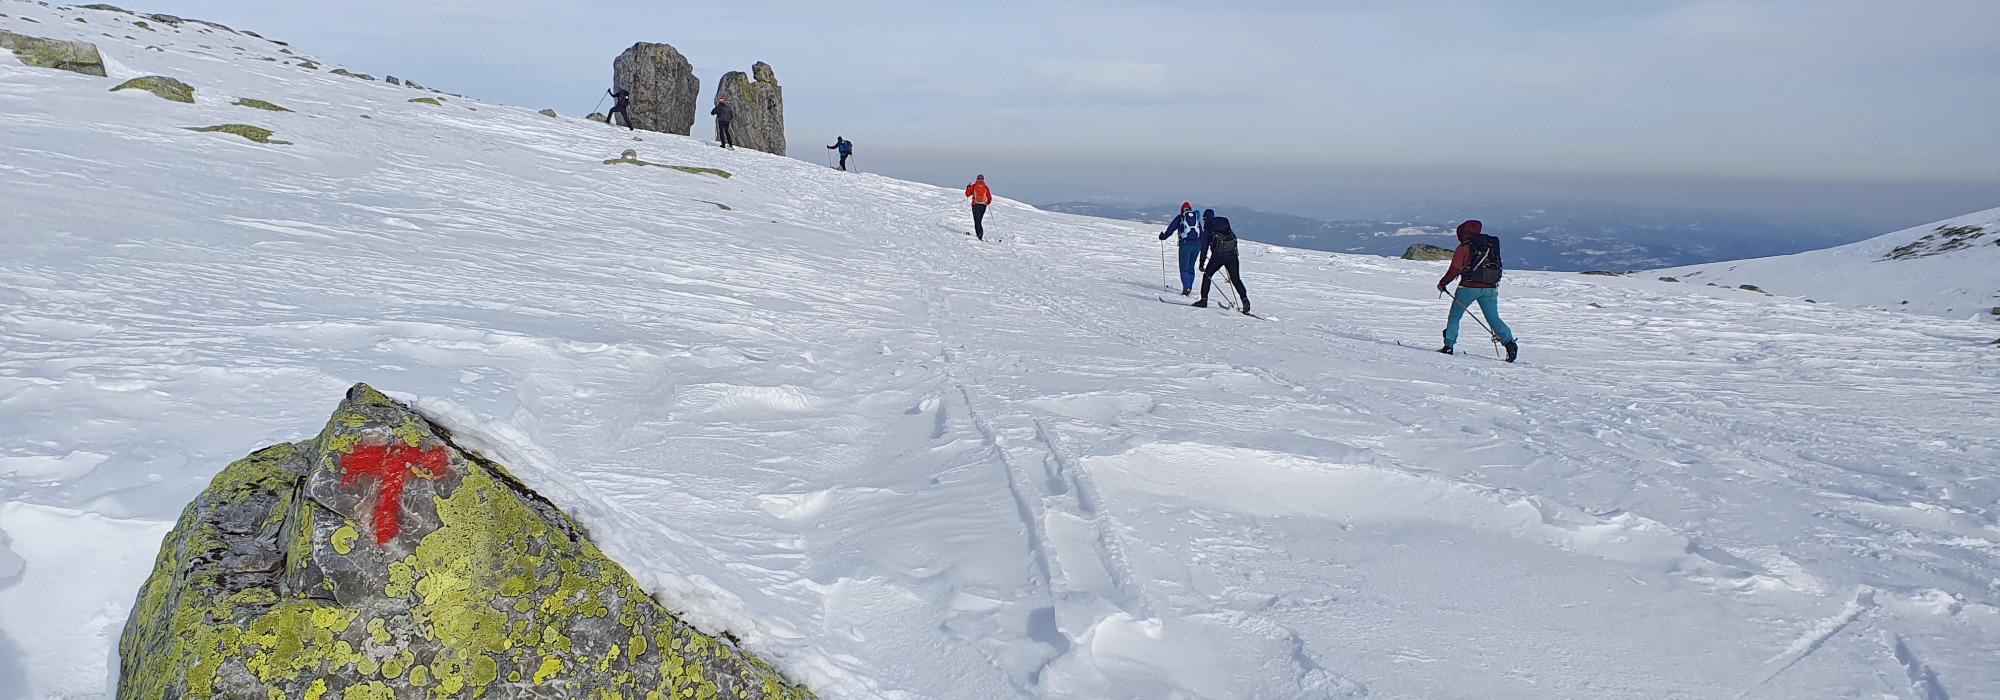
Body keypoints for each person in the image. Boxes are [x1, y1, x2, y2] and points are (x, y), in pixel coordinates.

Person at [1436, 219, 1520, 362]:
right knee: (1494, 319)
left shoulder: (1464, 247)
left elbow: (1455, 269)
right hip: (1490, 288)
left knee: (1455, 317)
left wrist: (1442, 284)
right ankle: (1510, 343)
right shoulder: (1489, 245)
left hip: (1468, 287)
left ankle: (1448, 346)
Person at [1192, 209, 1249, 314]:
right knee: (1236, 279)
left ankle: (1203, 300)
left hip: (1218, 257)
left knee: (1207, 276)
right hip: (1232, 255)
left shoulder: (1207, 231)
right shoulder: (1224, 224)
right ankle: (1245, 301)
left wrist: (1201, 264)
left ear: (1205, 219)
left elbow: (1204, 249)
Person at [1158, 202, 1207, 295]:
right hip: (1197, 245)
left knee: (1184, 268)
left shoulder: (1180, 217)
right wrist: (1201, 246)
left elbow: (1170, 229)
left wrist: (1163, 237)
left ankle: (1186, 288)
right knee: (1191, 267)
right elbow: (1201, 233)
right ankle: (1190, 287)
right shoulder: (1196, 218)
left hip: (1185, 245)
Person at [964, 175, 993, 240]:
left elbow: (967, 194)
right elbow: (990, 198)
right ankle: (979, 234)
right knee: (979, 220)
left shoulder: (974, 186)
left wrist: (968, 187)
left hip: (975, 205)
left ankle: (979, 234)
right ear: (983, 179)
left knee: (976, 220)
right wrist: (987, 203)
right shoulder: (986, 187)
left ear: (977, 179)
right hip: (983, 206)